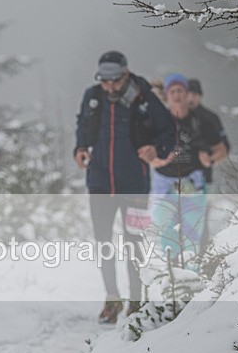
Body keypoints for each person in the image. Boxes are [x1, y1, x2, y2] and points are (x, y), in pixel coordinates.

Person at [74, 51, 175, 324]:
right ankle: (112, 299)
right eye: (104, 82)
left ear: (125, 74)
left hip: (135, 185)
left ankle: (136, 300)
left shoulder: (143, 96)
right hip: (99, 183)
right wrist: (80, 148)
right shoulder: (93, 96)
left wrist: (156, 147)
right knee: (103, 243)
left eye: (114, 82)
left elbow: (169, 129)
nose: (109, 87)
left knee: (135, 244)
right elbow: (82, 125)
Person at [151, 74, 227, 264]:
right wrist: (154, 160)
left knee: (192, 233)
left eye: (180, 91)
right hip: (164, 182)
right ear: (167, 96)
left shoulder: (202, 120)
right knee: (165, 231)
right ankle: (172, 274)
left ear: (187, 94)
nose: (177, 95)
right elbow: (143, 148)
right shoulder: (157, 120)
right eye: (172, 92)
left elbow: (222, 148)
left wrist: (208, 159)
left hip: (193, 181)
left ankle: (192, 277)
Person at [186, 78, 230, 190]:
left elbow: (225, 148)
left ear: (200, 96)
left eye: (194, 94)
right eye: (188, 94)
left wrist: (210, 160)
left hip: (203, 177)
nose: (191, 98)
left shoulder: (210, 118)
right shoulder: (174, 116)